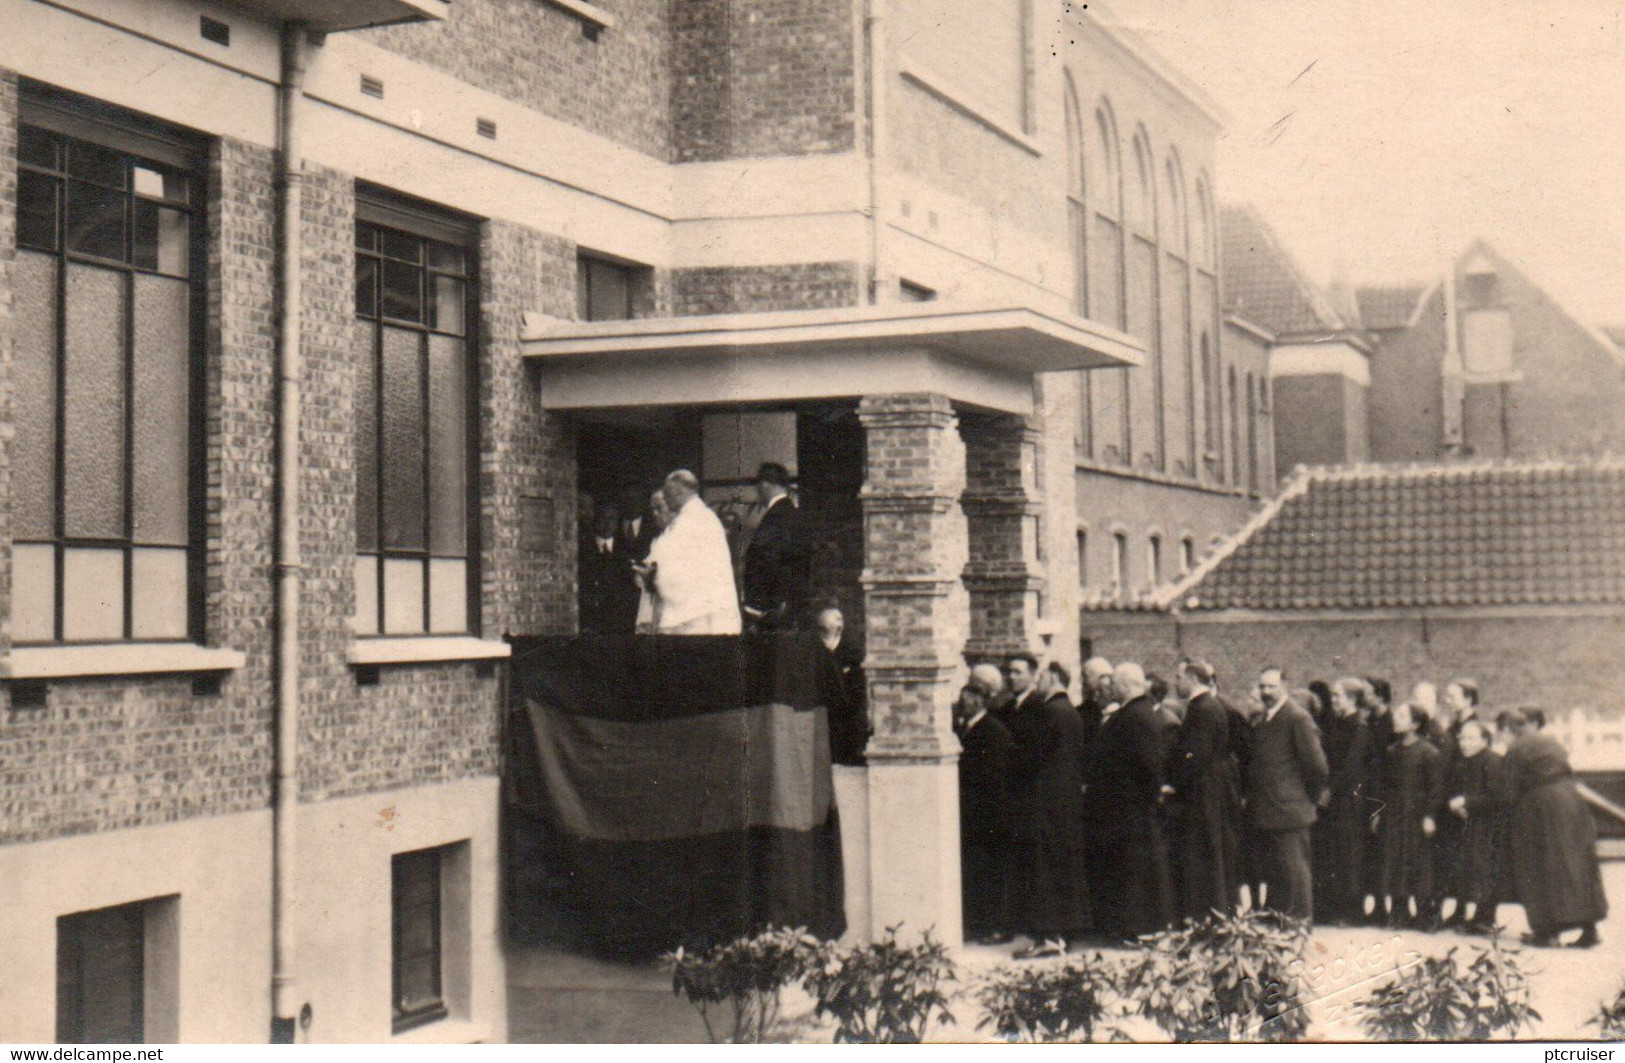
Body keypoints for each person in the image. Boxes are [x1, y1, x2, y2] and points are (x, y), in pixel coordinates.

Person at [1003, 653, 1092, 957]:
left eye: (1041, 677)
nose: (1038, 682)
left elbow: (1032, 759)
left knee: (1044, 867)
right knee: (1062, 865)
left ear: (1053, 678)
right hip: (1065, 802)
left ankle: (1048, 936)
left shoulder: (1050, 712)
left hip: (1045, 802)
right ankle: (1062, 933)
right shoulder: (1070, 712)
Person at [1083, 661, 1173, 941]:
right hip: (1129, 807)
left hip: (1131, 808)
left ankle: (1141, 928)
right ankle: (1136, 926)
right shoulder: (1138, 713)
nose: (1111, 690)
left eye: (1115, 685)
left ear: (1124, 685)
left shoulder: (1134, 716)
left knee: (1136, 870)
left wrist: (1141, 796)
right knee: (1133, 868)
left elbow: (1148, 764)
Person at [1503, 708, 1607, 947]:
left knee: (1540, 867)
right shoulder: (1550, 742)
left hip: (1541, 809)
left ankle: (1546, 932)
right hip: (1571, 803)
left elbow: (1509, 790)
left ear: (1512, 729)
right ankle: (1589, 931)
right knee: (1578, 864)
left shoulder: (1517, 748)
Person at [1244, 667, 1328, 921]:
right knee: (1277, 873)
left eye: (1271, 686)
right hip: (1269, 810)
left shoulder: (1296, 718)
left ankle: (1298, 925)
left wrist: (1306, 799)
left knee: (1295, 874)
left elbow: (1316, 766)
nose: (1266, 691)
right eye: (1262, 686)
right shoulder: (1265, 720)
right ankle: (1280, 924)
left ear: (1284, 687)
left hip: (1290, 811)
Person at [1166, 658, 1236, 920]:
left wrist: (1175, 783)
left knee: (1204, 852)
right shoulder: (1205, 706)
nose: (1176, 682)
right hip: (1205, 790)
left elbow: (1197, 756)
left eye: (1179, 677)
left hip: (1202, 793)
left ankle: (1208, 914)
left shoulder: (1203, 708)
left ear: (1193, 679)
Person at [637, 470, 742, 635]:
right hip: (695, 617)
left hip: (695, 620)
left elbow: (676, 576)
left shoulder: (691, 522)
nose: (665, 497)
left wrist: (651, 576)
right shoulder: (699, 518)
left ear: (678, 491)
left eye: (667, 493)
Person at [954, 681, 1015, 944]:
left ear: (979, 701)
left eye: (967, 699)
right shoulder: (966, 729)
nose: (962, 703)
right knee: (977, 871)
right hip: (975, 815)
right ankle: (979, 924)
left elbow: (994, 776)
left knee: (992, 872)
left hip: (990, 815)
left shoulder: (993, 731)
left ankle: (998, 927)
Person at [1374, 701, 1444, 927]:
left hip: (1417, 817)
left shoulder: (1429, 752)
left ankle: (1425, 914)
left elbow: (1436, 789)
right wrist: (1379, 813)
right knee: (1394, 861)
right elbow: (1384, 787)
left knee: (1419, 863)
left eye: (1403, 716)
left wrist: (1430, 816)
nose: (1397, 719)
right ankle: (1399, 912)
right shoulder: (1392, 751)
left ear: (1415, 723)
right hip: (1395, 815)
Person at [1313, 678, 1373, 925]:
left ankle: (1353, 912)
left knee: (1349, 855)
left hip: (1348, 800)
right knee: (1333, 855)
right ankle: (1331, 909)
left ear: (1351, 699)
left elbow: (1351, 766)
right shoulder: (1337, 724)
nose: (1334, 700)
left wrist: (1330, 789)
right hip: (1334, 800)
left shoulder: (1360, 728)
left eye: (1338, 696)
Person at [1445, 718, 1506, 935]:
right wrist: (1458, 805)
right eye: (1462, 738)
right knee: (1467, 868)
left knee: (1485, 870)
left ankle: (1484, 918)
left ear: (1484, 740)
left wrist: (1466, 802)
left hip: (1489, 826)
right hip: (1469, 823)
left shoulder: (1493, 761)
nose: (1464, 743)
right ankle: (1465, 914)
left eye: (1471, 738)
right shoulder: (1464, 762)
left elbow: (1497, 797)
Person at [741, 462, 809, 631]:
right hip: (790, 607)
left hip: (772, 612)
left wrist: (755, 609)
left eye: (758, 485)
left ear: (765, 485)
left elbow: (765, 563)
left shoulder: (775, 518)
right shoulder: (794, 514)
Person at [578, 497, 642, 635]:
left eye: (612, 519)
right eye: (603, 518)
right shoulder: (582, 548)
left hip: (619, 625)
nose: (607, 524)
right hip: (591, 623)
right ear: (595, 519)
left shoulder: (627, 549)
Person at [815, 606, 868, 766]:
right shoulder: (815, 651)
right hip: (822, 712)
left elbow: (858, 688)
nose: (838, 625)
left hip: (847, 715)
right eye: (833, 622)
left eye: (840, 622)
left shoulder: (852, 653)